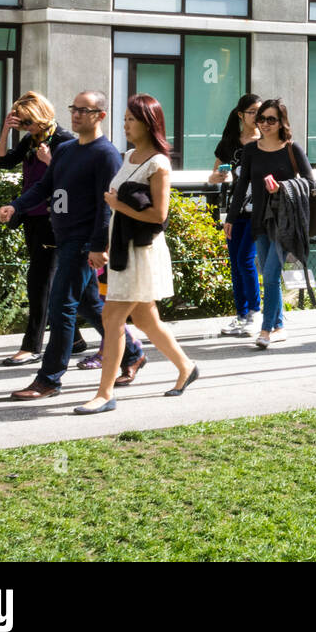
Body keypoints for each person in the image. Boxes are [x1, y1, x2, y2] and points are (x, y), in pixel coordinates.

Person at [0, 91, 145, 400]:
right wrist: (17, 206)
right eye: (73, 109)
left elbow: (106, 206)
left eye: (84, 110)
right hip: (62, 235)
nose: (76, 115)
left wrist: (98, 245)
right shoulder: (65, 150)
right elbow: (43, 186)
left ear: (100, 116)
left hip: (82, 242)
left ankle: (49, 378)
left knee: (61, 305)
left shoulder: (105, 154)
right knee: (89, 304)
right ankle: (132, 353)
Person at [73, 94, 199, 413]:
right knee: (145, 317)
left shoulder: (159, 163)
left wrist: (118, 205)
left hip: (141, 252)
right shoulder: (128, 156)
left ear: (148, 122)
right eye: (125, 118)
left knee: (111, 316)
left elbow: (159, 216)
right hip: (120, 249)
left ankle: (104, 393)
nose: (126, 124)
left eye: (132, 119)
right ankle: (186, 366)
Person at [0, 92, 78, 366]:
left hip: (54, 218)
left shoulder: (64, 140)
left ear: (41, 115)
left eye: (29, 121)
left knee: (39, 280)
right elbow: (3, 161)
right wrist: (6, 129)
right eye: (23, 122)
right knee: (50, 280)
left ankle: (32, 346)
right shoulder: (31, 140)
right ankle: (75, 338)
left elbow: (73, 180)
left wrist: (49, 162)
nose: (26, 127)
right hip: (31, 215)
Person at [224, 99, 314, 348]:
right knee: (267, 274)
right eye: (261, 118)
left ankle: (265, 329)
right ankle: (279, 326)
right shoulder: (251, 150)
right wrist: (230, 218)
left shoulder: (291, 149)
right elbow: (241, 187)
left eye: (270, 119)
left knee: (272, 275)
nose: (264, 123)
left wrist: (283, 186)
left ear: (281, 122)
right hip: (259, 221)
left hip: (284, 221)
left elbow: (310, 182)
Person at [209, 93, 261, 336]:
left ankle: (254, 312)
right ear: (240, 115)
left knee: (245, 260)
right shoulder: (230, 141)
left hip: (258, 210)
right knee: (235, 263)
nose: (257, 117)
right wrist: (219, 177)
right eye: (252, 112)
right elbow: (212, 175)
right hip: (233, 209)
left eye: (259, 112)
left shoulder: (267, 139)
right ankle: (241, 315)